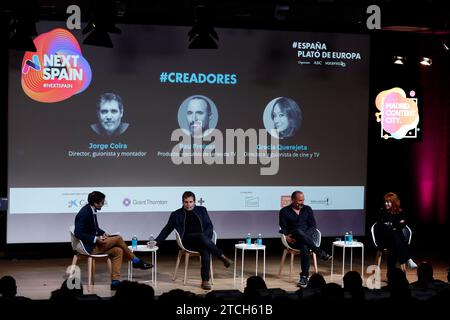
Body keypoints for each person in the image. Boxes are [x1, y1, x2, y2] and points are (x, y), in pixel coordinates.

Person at [154, 191, 233, 290]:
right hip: (187, 242)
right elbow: (167, 229)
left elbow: (209, 226)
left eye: (190, 202)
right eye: (186, 202)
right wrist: (156, 241)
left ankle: (205, 281)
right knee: (201, 237)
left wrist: (205, 238)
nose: (188, 204)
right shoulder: (176, 214)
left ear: (194, 202)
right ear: (182, 202)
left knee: (205, 249)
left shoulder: (202, 210)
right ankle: (222, 256)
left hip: (202, 240)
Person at [74, 191, 152, 290]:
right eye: (102, 202)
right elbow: (78, 232)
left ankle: (115, 282)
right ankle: (136, 261)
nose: (103, 204)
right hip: (89, 247)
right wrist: (95, 239)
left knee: (118, 251)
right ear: (95, 203)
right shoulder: (84, 213)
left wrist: (103, 233)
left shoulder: (91, 210)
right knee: (118, 238)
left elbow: (95, 228)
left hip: (94, 244)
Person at [279, 191, 331, 287]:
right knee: (298, 232)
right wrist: (286, 236)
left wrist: (304, 235)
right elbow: (283, 228)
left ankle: (304, 276)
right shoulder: (284, 211)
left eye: (303, 200)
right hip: (293, 239)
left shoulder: (307, 209)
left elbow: (313, 226)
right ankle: (320, 252)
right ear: (293, 199)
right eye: (299, 200)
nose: (302, 202)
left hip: (306, 239)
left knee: (304, 245)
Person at [376, 192, 417, 270]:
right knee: (394, 235)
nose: (386, 204)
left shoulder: (400, 212)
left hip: (395, 241)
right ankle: (408, 259)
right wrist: (395, 224)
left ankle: (390, 273)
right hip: (384, 240)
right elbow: (381, 225)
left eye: (388, 202)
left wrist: (391, 224)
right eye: (385, 202)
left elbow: (403, 224)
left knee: (393, 248)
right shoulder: (382, 212)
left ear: (394, 203)